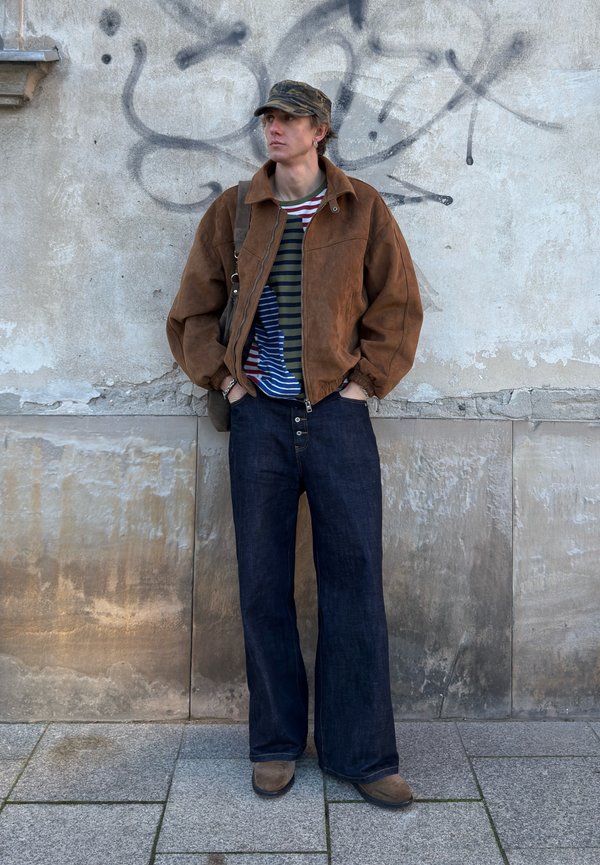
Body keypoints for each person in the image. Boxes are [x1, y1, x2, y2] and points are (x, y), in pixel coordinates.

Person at [167, 80, 423, 809]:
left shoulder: (362, 208)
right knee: (262, 584)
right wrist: (230, 384)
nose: (274, 129)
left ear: (321, 131)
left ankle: (363, 753)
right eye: (269, 119)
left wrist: (363, 384)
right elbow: (192, 310)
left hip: (338, 419)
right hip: (262, 423)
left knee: (354, 585)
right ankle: (277, 742)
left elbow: (397, 305)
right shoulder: (236, 211)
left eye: (289, 120)